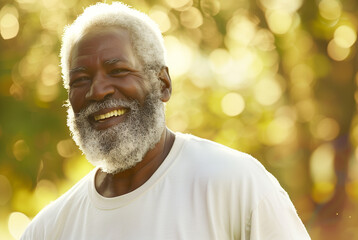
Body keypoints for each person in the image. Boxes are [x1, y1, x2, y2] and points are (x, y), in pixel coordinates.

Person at [21, 2, 310, 239]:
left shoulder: (235, 184)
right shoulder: (48, 231)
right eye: (81, 79)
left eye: (118, 70)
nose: (98, 90)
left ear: (162, 84)